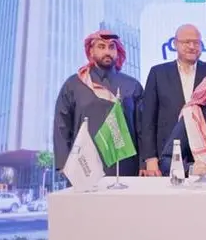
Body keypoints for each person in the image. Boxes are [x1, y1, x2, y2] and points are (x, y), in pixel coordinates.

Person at [53, 30, 143, 176]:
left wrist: (144, 162)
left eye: (112, 47)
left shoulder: (132, 85)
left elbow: (142, 128)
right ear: (91, 51)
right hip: (83, 166)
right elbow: (61, 124)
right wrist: (63, 163)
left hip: (125, 166)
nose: (107, 52)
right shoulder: (74, 84)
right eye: (101, 47)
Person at [141, 24, 206, 176]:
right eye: (186, 42)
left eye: (196, 42)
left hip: (203, 156)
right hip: (166, 155)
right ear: (175, 44)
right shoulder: (158, 73)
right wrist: (150, 158)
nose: (192, 46)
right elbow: (148, 119)